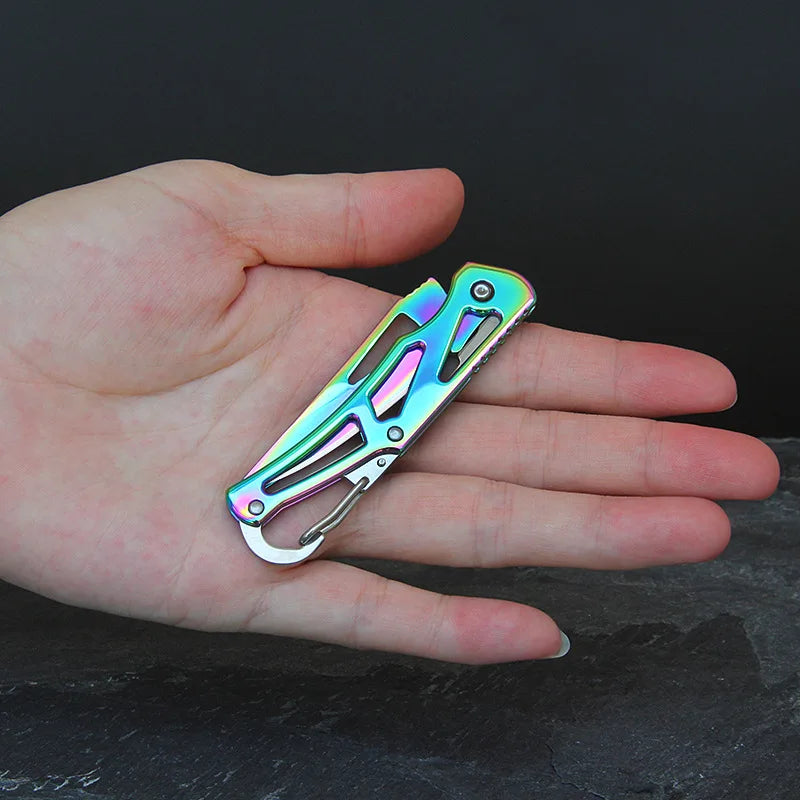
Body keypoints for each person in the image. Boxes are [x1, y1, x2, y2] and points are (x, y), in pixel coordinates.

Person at [0, 160, 779, 664]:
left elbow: (403, 356)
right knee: (366, 411)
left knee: (372, 407)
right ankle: (263, 497)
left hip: (332, 445)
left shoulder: (436, 327)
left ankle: (264, 496)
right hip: (319, 455)